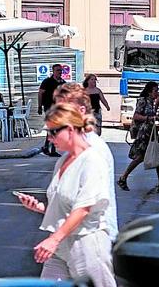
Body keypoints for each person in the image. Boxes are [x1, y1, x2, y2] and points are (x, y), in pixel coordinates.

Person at [17, 104, 116, 287]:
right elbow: (66, 205)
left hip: (86, 242)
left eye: (53, 132)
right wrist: (40, 207)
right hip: (61, 244)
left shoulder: (93, 161)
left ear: (70, 130)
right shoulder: (63, 160)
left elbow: (83, 209)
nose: (49, 138)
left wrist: (53, 240)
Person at [54, 82, 117, 244]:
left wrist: (55, 239)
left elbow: (87, 205)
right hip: (70, 239)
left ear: (81, 111)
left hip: (90, 238)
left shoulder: (93, 149)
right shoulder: (71, 148)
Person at [116, 82, 159, 194]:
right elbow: (136, 116)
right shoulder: (143, 101)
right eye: (155, 91)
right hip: (144, 132)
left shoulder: (152, 102)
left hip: (151, 132)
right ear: (149, 91)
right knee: (141, 157)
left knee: (158, 155)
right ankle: (123, 177)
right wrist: (149, 118)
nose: (157, 92)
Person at [38, 64, 65, 157]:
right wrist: (39, 105)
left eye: (60, 70)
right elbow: (40, 93)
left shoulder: (63, 83)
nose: (59, 72)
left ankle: (46, 147)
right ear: (53, 71)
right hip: (49, 107)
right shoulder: (47, 81)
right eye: (57, 70)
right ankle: (52, 149)